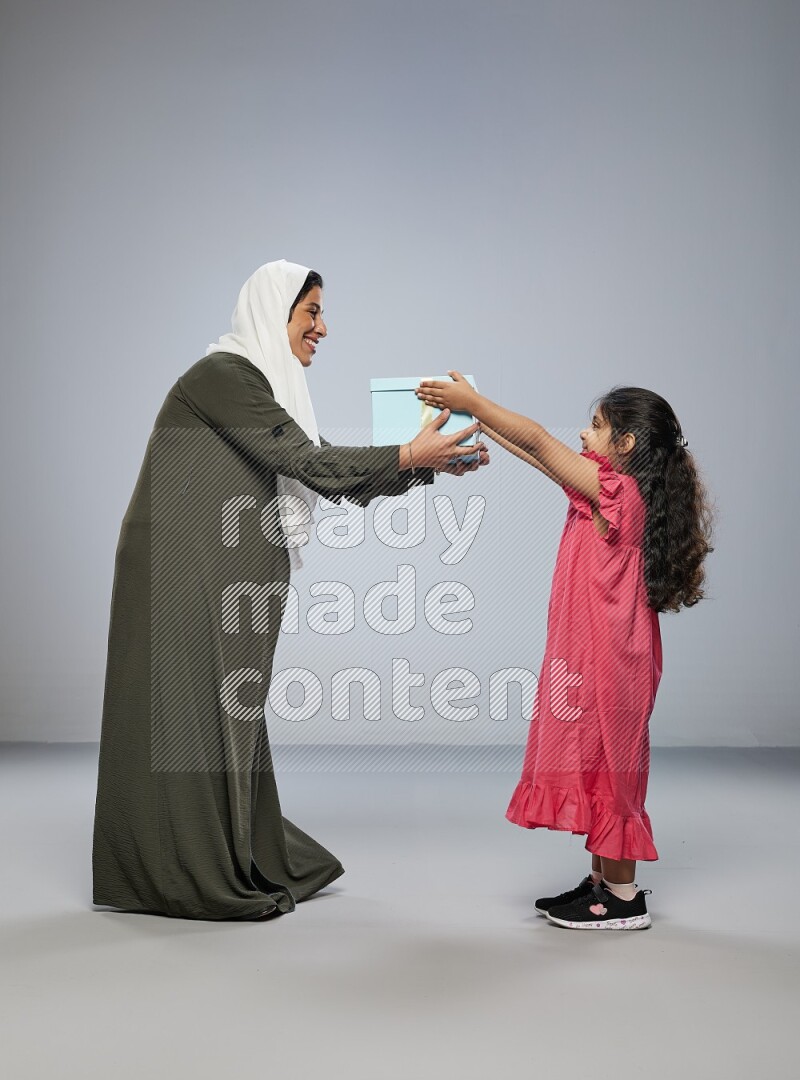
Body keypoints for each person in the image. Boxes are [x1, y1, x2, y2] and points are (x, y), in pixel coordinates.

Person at [92, 262, 489, 921]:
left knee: (223, 710)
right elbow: (308, 464)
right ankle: (175, 871)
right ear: (273, 312)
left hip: (224, 567)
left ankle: (226, 849)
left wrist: (424, 467)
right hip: (180, 566)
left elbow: (320, 464)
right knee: (189, 709)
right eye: (311, 313)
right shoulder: (223, 376)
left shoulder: (262, 388)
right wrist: (408, 457)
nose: (322, 328)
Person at [417, 372, 714, 930]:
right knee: (597, 762)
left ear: (625, 445)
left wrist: (475, 401)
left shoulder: (622, 495)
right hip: (590, 655)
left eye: (596, 427)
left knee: (615, 769)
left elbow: (537, 440)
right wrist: (473, 423)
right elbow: (537, 455)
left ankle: (624, 899)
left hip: (614, 661)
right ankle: (601, 882)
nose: (583, 434)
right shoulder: (601, 483)